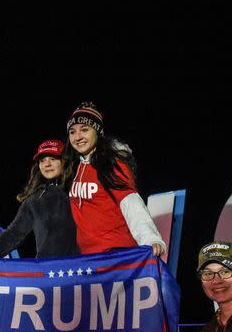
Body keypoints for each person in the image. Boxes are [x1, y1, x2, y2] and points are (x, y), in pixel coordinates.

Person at [64, 101, 166, 256]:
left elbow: (131, 203)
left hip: (117, 256)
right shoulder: (77, 167)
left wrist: (150, 239)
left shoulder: (111, 165)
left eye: (85, 130)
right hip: (89, 259)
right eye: (72, 132)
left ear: (97, 132)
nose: (78, 137)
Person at [0, 139, 79, 258]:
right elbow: (13, 235)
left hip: (81, 269)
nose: (47, 164)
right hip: (48, 271)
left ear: (64, 161)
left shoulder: (79, 189)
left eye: (53, 159)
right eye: (42, 160)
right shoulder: (34, 201)